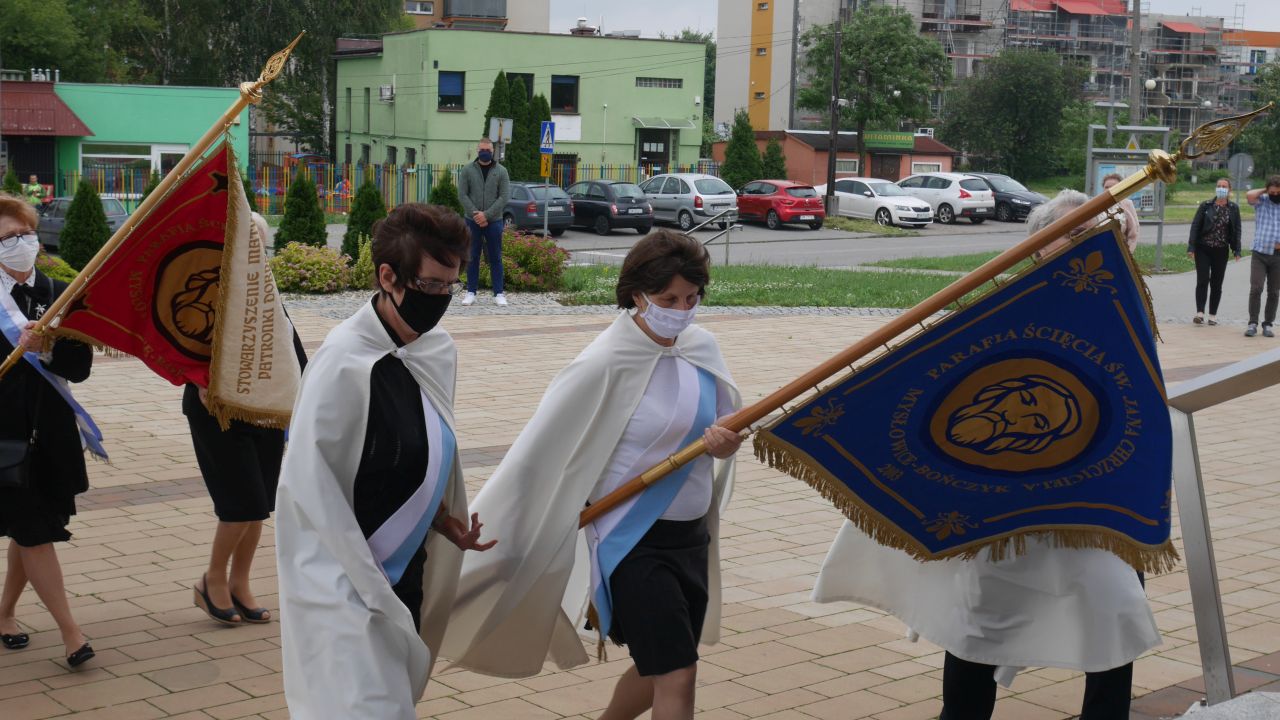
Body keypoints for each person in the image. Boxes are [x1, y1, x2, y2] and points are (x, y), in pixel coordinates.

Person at [811, 192, 1159, 720]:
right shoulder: (1005, 309)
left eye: (1095, 235)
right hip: (1004, 500)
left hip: (1089, 503)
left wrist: (1124, 259)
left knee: (1116, 610)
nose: (1085, 244)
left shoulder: (1116, 306)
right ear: (1039, 246)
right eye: (1073, 234)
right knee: (980, 623)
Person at [442, 229, 743, 720]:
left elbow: (725, 421)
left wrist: (726, 441)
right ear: (637, 295)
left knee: (661, 666)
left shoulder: (700, 348)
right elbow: (536, 456)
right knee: (678, 674)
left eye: (692, 298)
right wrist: (498, 527)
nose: (682, 310)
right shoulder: (602, 362)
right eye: (669, 299)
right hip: (631, 540)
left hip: (691, 537)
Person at [274, 203, 496, 719]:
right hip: (342, 577)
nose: (440, 299)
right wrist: (359, 575)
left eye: (451, 286)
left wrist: (440, 518)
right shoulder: (341, 363)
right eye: (430, 285)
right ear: (388, 277)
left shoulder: (435, 351)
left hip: (404, 571)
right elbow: (311, 487)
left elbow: (418, 448)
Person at [185, 213, 307, 626]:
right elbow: (180, 345)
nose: (253, 249)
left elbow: (289, 349)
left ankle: (240, 582)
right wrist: (197, 379)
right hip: (216, 412)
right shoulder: (205, 287)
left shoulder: (264, 294)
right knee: (240, 504)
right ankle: (211, 579)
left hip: (265, 411)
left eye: (258, 242)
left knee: (259, 506)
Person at [0, 193, 98, 668]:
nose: (21, 243)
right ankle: (71, 634)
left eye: (26, 234)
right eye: (8, 238)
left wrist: (49, 349)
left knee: (31, 529)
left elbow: (80, 368)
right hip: (5, 436)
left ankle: (4, 614)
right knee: (34, 529)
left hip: (51, 430)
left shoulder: (61, 292)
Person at [457, 137, 511, 307]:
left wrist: (486, 215)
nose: (485, 152)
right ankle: (471, 292)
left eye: (488, 150)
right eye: (482, 150)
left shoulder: (501, 171)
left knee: (495, 257)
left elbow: (504, 197)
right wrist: (476, 215)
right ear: (477, 150)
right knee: (472, 256)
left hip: (494, 221)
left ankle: (499, 293)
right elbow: (462, 194)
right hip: (471, 221)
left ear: (493, 151)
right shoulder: (467, 170)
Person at [1187, 178, 1242, 326]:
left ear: (1229, 190)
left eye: (1224, 186)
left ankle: (1212, 315)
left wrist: (1237, 249)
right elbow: (1195, 226)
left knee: (1217, 284)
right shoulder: (1206, 205)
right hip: (1203, 248)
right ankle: (1200, 313)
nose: (1221, 188)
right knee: (1203, 279)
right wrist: (1191, 247)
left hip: (1221, 250)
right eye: (1219, 186)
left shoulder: (1233, 208)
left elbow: (1237, 230)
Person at [1245, 176, 1280, 337]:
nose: (1275, 195)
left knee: (1274, 292)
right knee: (1256, 288)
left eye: (1278, 193)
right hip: (1259, 253)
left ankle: (1268, 324)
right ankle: (1253, 323)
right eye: (1272, 192)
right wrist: (1266, 190)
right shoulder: (1262, 201)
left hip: (1278, 256)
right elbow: (1249, 195)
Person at [1100, 172, 1140, 252]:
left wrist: (1127, 253)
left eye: (1113, 186)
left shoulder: (1127, 204)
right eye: (1106, 187)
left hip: (1120, 251)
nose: (1109, 189)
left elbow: (1133, 234)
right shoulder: (1096, 205)